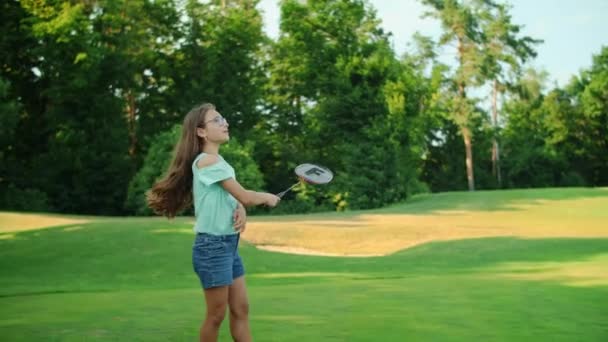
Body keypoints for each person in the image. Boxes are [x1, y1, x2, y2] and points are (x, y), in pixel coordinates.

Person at [147, 103, 280, 342]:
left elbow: (233, 197)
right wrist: (266, 197)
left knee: (241, 309)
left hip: (229, 246)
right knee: (216, 315)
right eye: (217, 120)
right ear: (201, 132)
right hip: (212, 248)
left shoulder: (218, 162)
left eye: (224, 119)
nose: (225, 123)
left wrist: (240, 208)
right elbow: (246, 196)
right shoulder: (207, 162)